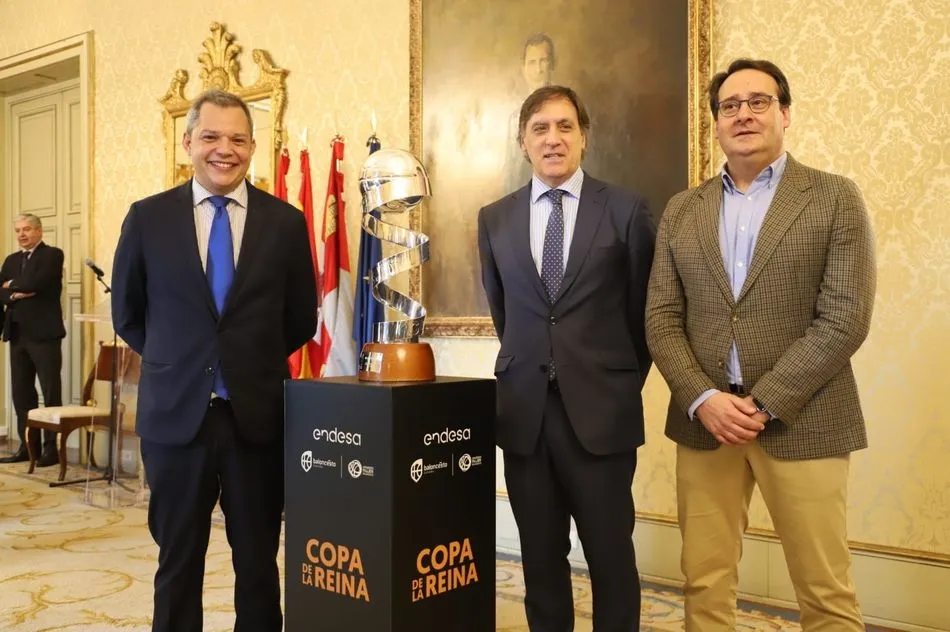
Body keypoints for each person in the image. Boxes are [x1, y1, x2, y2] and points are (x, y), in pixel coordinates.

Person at [645, 58, 875, 631]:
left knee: (824, 591)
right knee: (704, 582)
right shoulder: (682, 210)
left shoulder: (833, 197)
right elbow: (661, 317)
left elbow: (846, 317)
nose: (743, 113)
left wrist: (765, 401)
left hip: (806, 420)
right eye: (730, 105)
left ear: (785, 113)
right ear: (716, 122)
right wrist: (704, 397)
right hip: (705, 424)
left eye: (758, 101)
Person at [111, 89, 317, 632]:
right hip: (176, 419)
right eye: (210, 137)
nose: (224, 150)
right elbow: (128, 315)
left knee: (257, 564)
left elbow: (300, 319)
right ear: (188, 143)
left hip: (257, 420)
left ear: (253, 147)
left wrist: (246, 362)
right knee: (178, 562)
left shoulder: (286, 223)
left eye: (237, 139)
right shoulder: (147, 219)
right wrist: (180, 362)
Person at [478, 84, 655, 631]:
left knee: (610, 558)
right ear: (523, 142)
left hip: (601, 416)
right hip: (525, 414)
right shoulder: (495, 218)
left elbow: (643, 316)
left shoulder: (626, 210)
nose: (552, 139)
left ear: (583, 138)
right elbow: (506, 312)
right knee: (539, 558)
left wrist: (609, 380)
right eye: (539, 129)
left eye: (564, 127)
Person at [0, 213, 64, 467]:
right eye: (18, 230)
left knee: (50, 392)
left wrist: (10, 286)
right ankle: (28, 447)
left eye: (27, 229)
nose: (22, 235)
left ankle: (51, 449)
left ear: (38, 231)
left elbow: (38, 282)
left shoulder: (52, 255)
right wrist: (16, 293)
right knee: (22, 394)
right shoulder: (11, 259)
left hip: (44, 334)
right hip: (17, 334)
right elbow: (1, 293)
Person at [504, 34, 556, 192]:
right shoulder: (515, 119)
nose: (538, 70)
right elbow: (511, 174)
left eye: (543, 61)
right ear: (524, 68)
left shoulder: (569, 110)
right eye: (532, 63)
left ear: (552, 64)